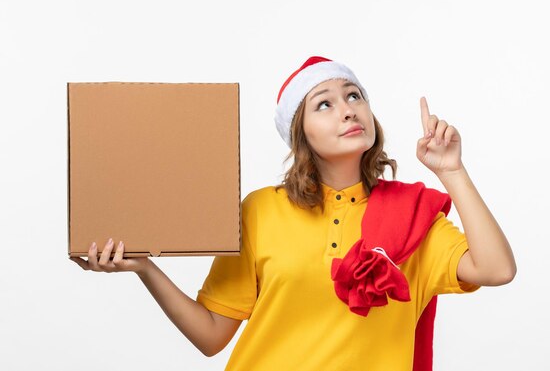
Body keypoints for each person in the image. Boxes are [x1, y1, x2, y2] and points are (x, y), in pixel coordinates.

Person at [71, 56, 516, 370]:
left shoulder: (415, 216)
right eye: (325, 103)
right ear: (299, 132)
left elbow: (496, 269)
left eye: (354, 96)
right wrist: (145, 268)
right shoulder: (261, 211)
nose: (347, 109)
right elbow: (211, 337)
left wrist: (452, 171)